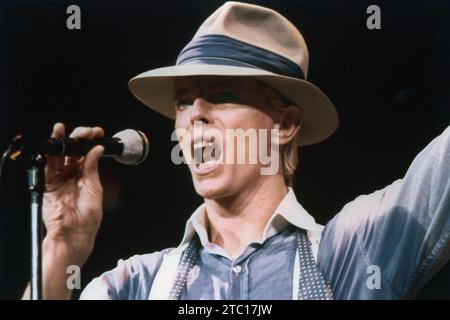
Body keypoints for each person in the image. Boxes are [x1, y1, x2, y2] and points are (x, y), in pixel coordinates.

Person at [41, 2, 450, 300]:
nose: (194, 116)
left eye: (221, 95)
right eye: (183, 102)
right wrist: (62, 247)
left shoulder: (354, 252)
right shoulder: (136, 285)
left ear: (286, 124)